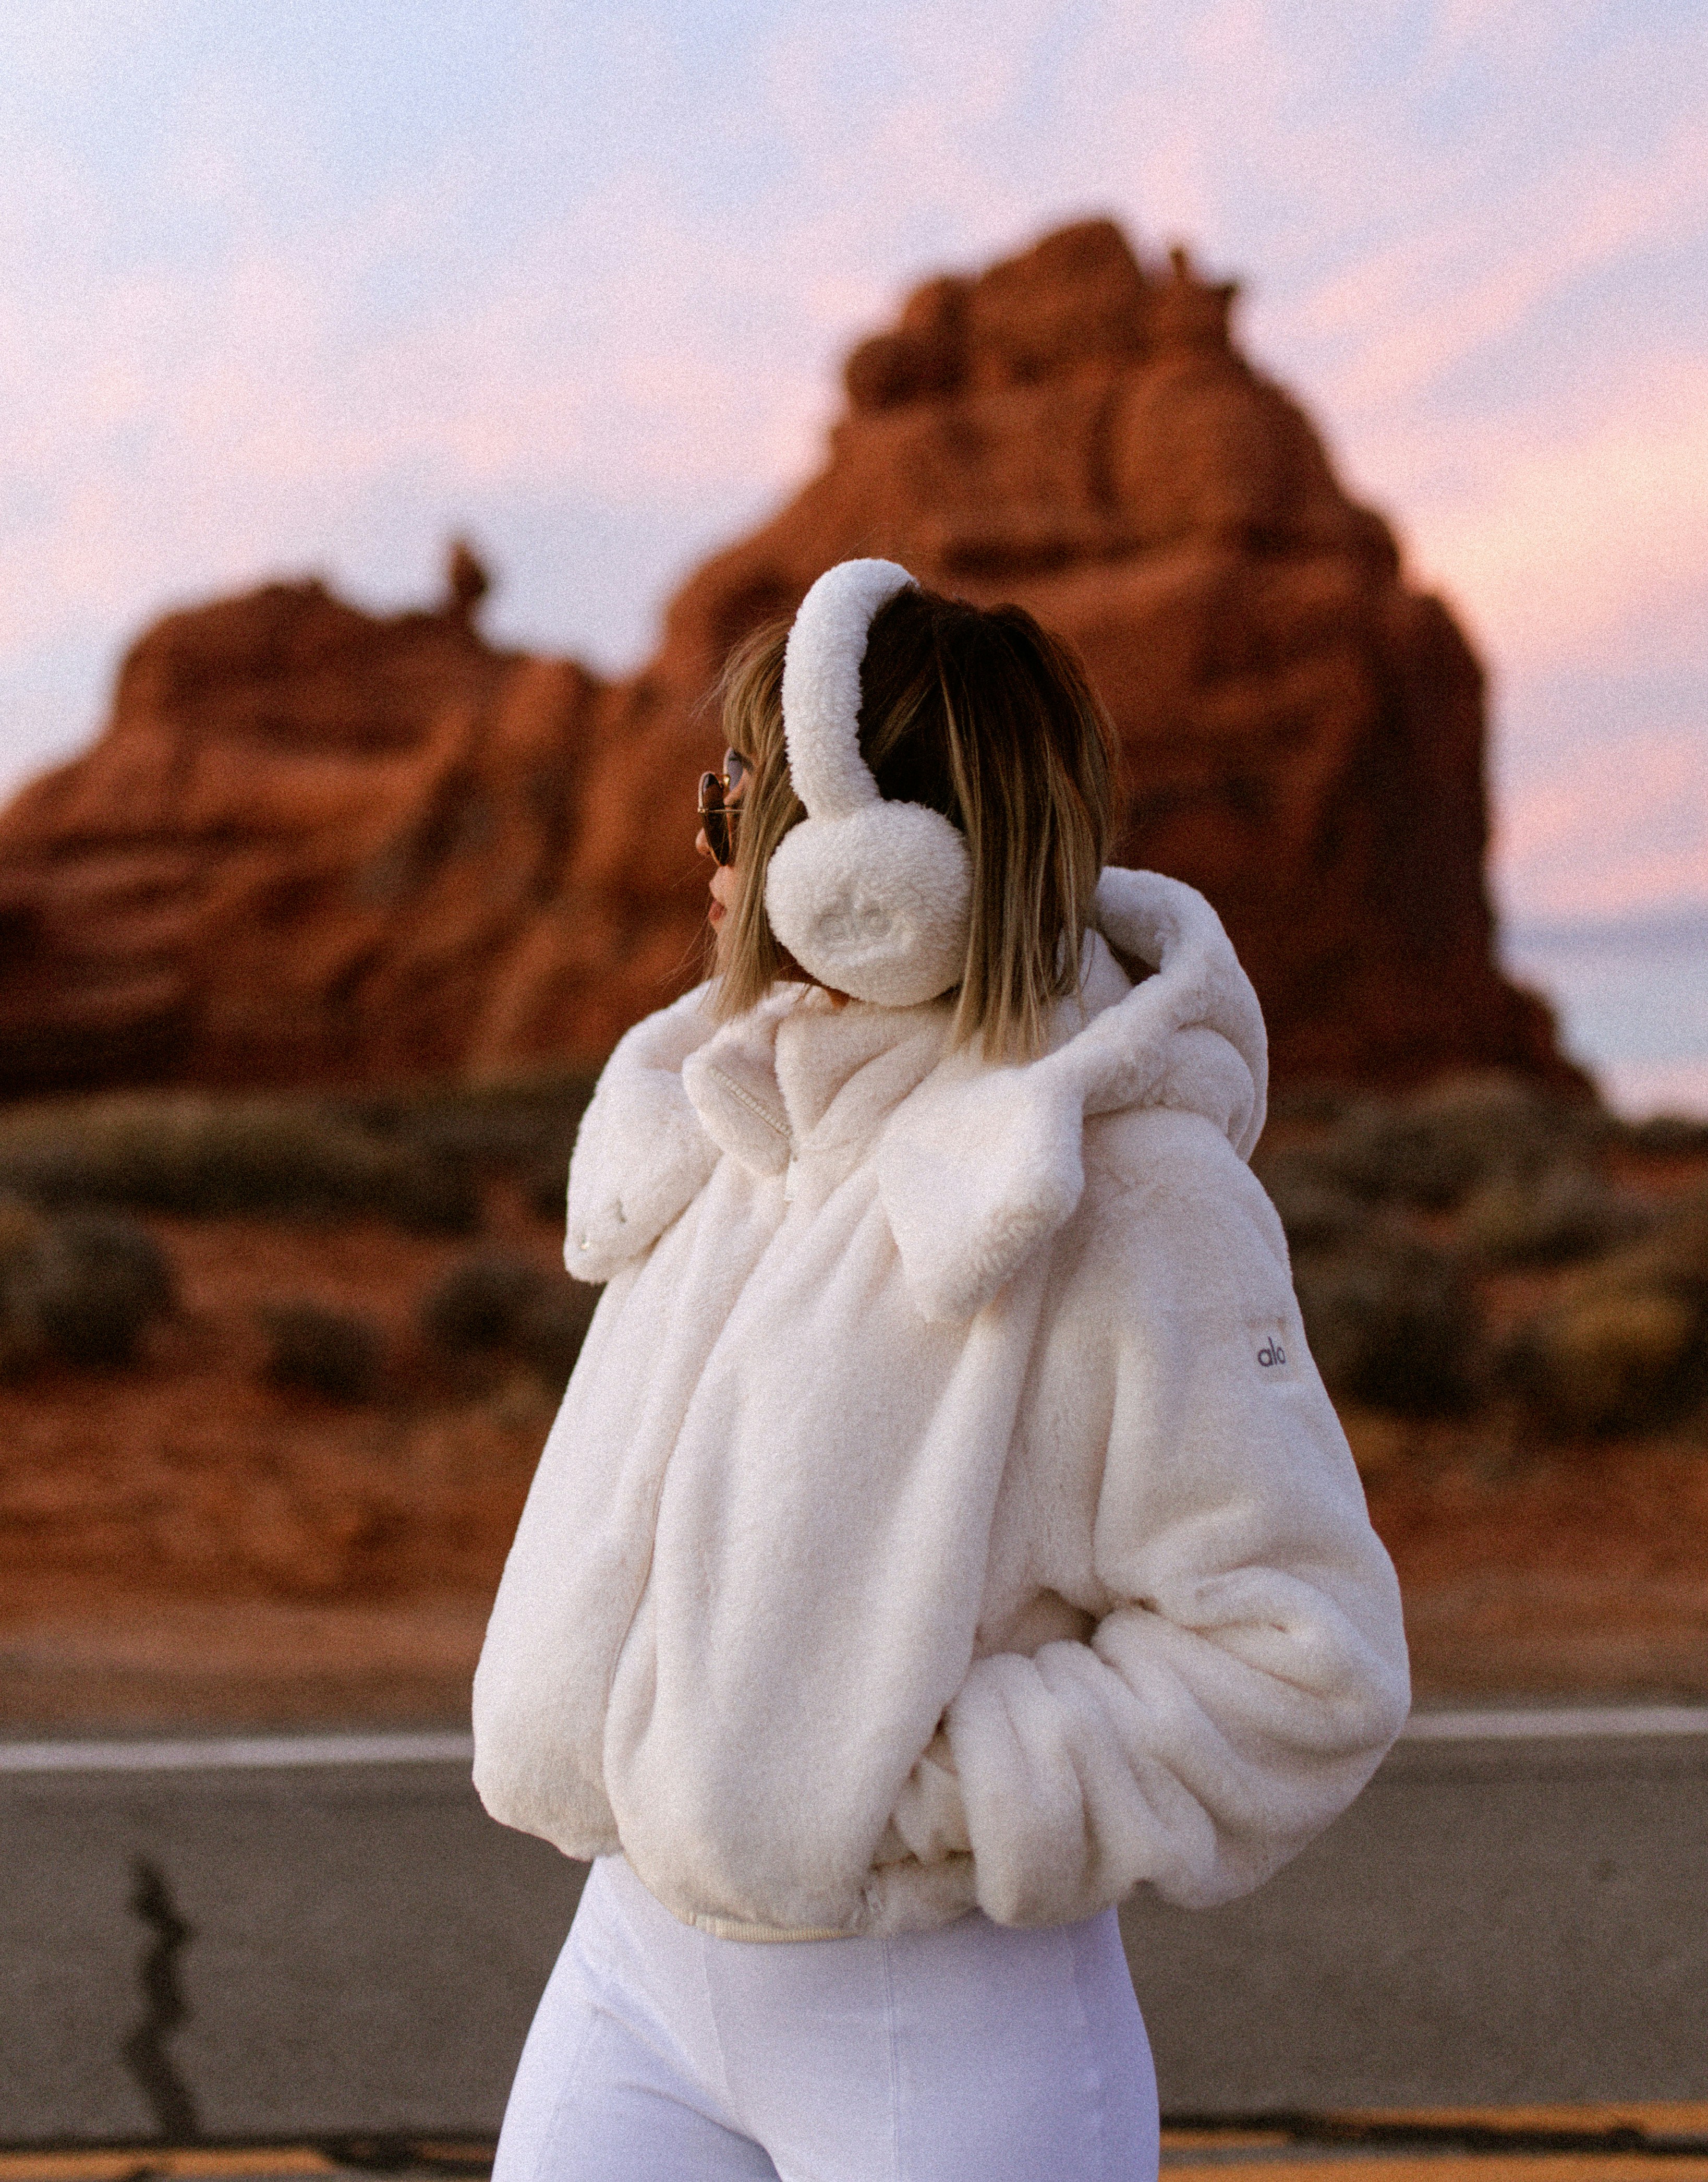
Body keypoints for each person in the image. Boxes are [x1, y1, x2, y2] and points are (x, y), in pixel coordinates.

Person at [475, 560, 1411, 2181]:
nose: (710, 849)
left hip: (938, 2030)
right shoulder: (739, 1118)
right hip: (630, 1960)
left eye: (732, 805)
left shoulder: (1126, 1192)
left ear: (868, 868)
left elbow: (1298, 1666)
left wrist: (895, 1787)